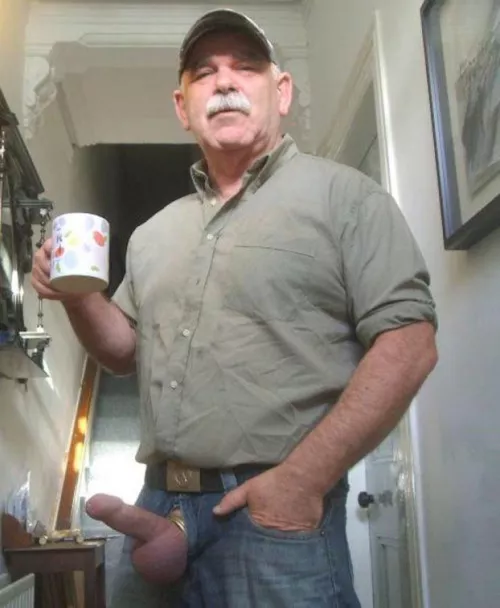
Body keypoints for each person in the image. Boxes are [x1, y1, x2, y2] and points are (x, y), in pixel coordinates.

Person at [32, 8, 438, 607]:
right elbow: (122, 353)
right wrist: (76, 296)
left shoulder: (347, 197)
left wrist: (301, 482)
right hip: (155, 511)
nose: (223, 81)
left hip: (275, 518)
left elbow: (410, 342)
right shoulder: (151, 234)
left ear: (281, 91)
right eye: (204, 73)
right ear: (182, 105)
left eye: (245, 67)